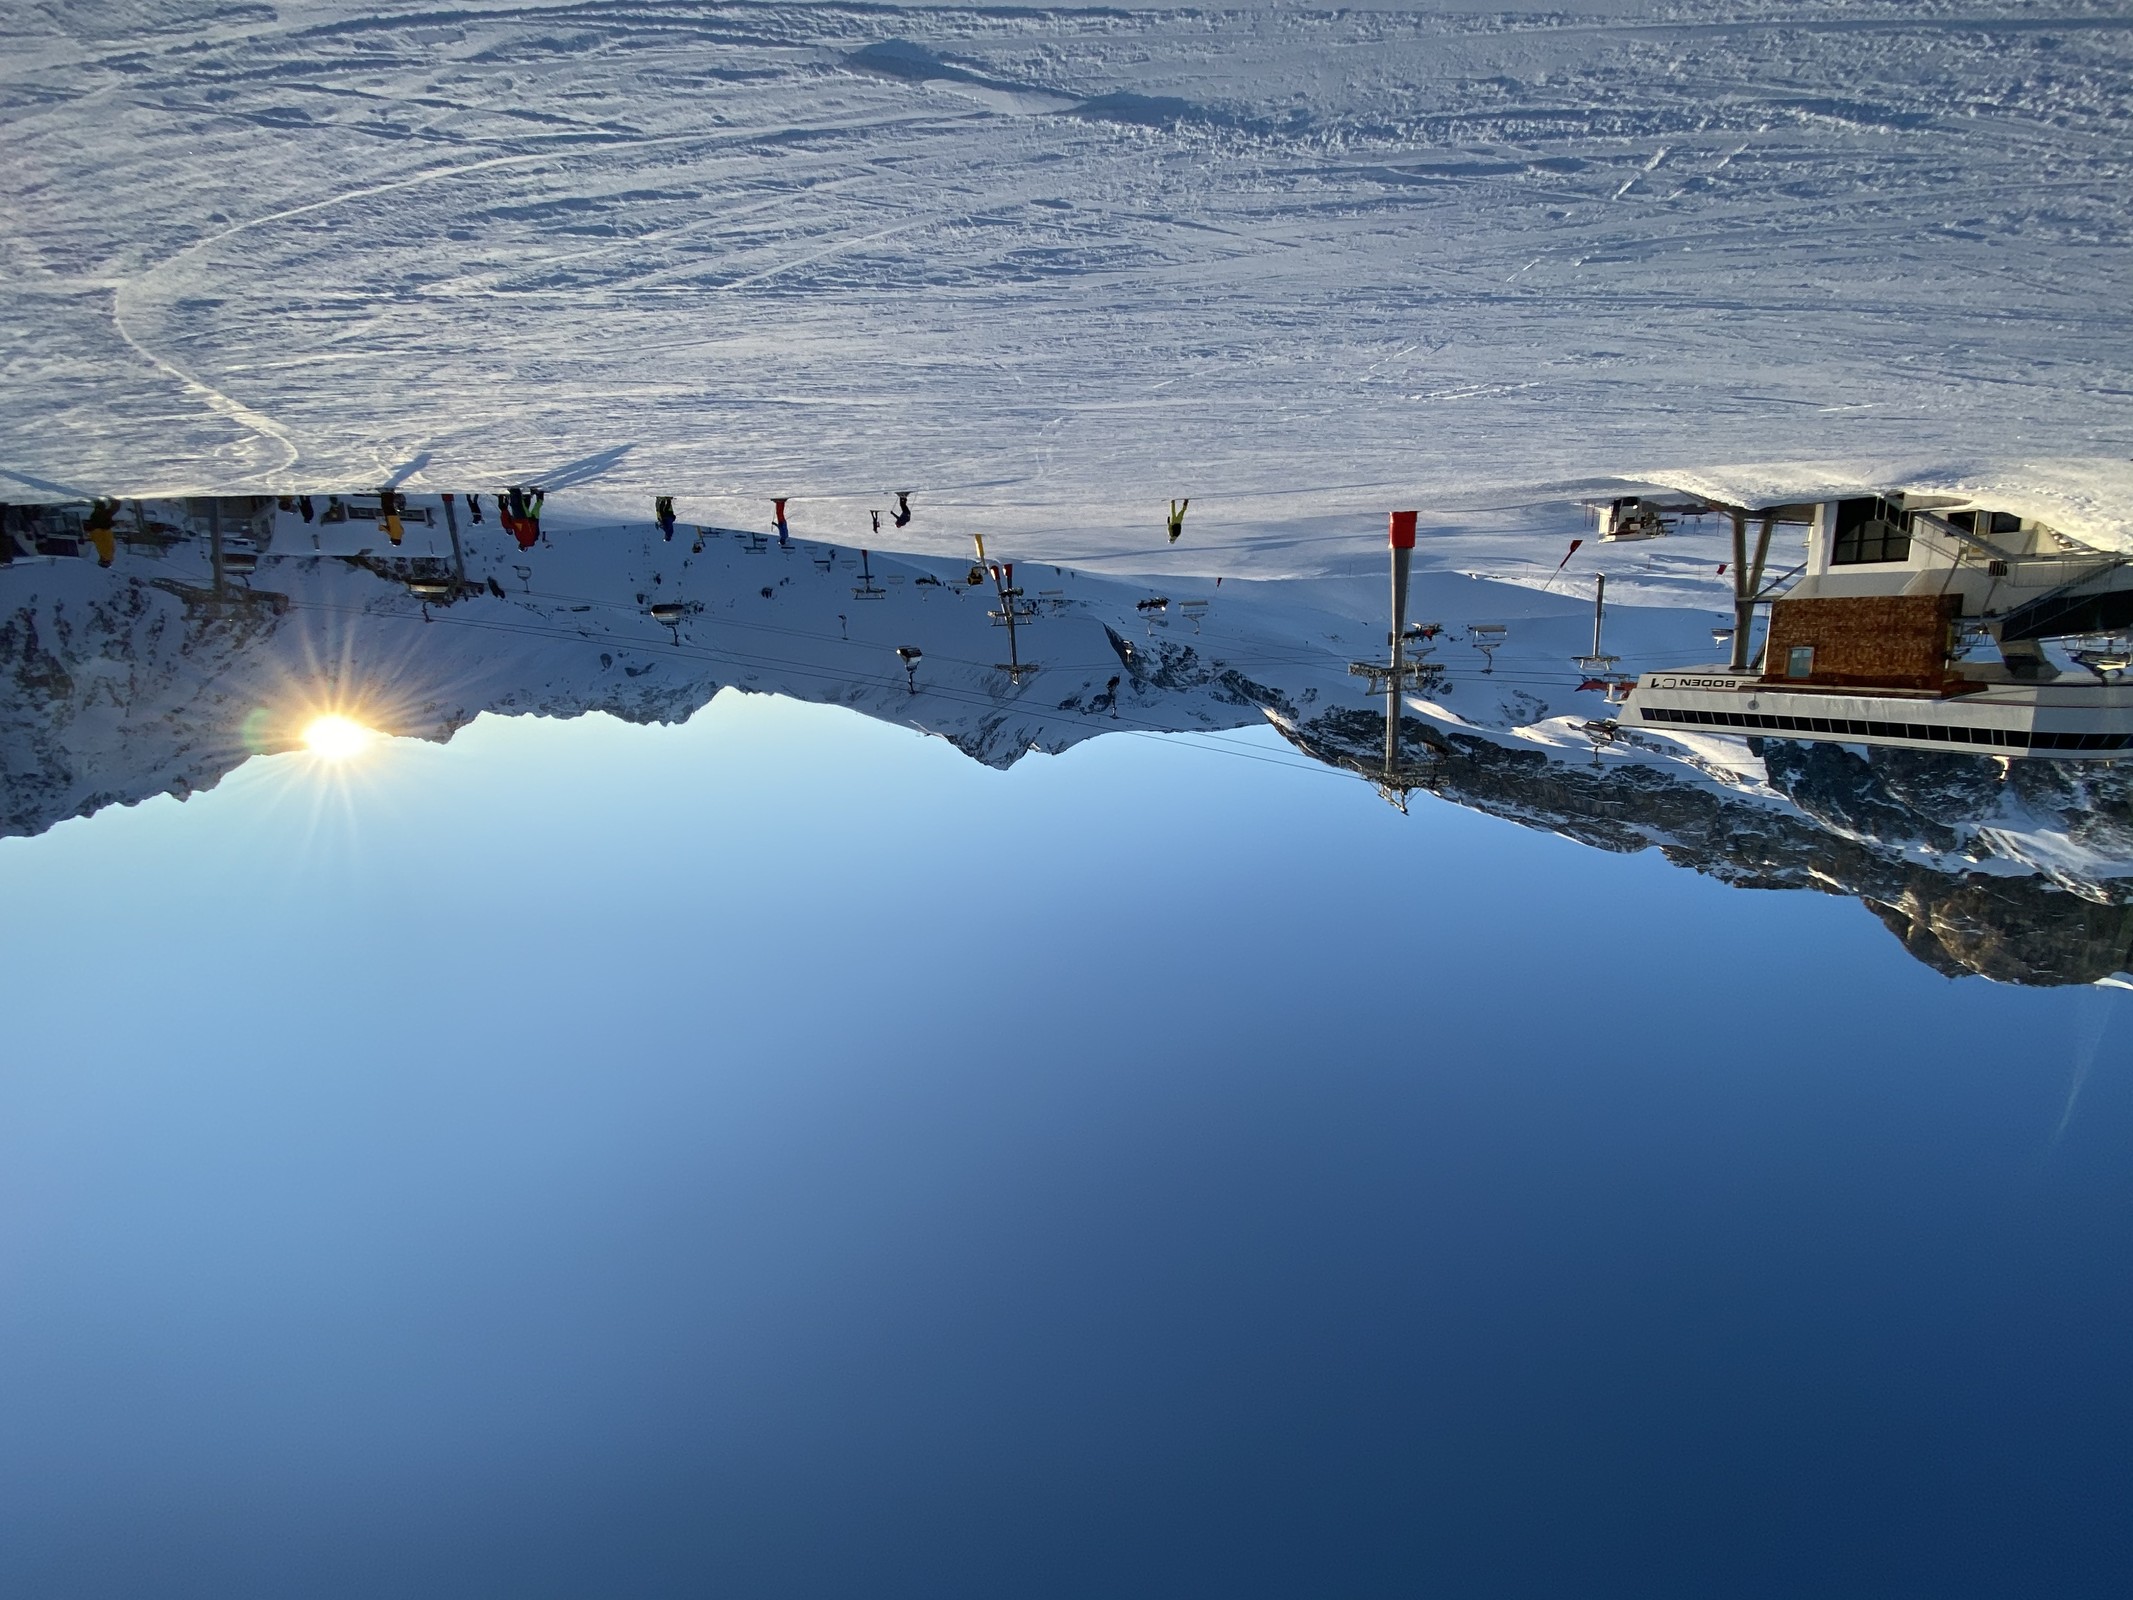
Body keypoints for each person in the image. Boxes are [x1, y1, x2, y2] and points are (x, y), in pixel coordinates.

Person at [85, 498, 118, 567]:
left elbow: (106, 541)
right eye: (100, 561)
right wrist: (92, 532)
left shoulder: (108, 554)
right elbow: (102, 540)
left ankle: (96, 496)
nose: (99, 559)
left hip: (102, 528)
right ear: (103, 561)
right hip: (100, 527)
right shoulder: (105, 554)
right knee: (105, 510)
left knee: (103, 509)